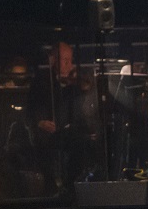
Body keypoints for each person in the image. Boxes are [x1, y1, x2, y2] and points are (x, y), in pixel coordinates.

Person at [26, 41, 96, 198]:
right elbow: (30, 108)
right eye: (65, 61)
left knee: (82, 141)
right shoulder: (42, 80)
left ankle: (74, 185)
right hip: (46, 134)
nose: (69, 65)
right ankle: (62, 186)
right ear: (53, 60)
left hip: (64, 131)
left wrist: (77, 83)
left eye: (70, 61)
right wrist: (39, 122)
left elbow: (82, 92)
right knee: (76, 144)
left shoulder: (69, 82)